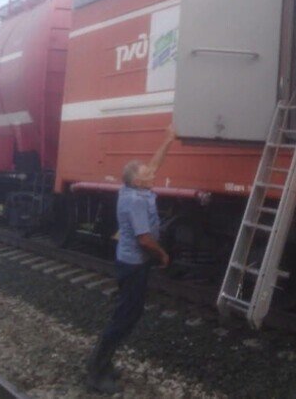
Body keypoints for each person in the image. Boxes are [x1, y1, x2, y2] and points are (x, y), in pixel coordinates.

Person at [86, 124, 175, 394]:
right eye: (145, 173)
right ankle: (95, 371)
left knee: (129, 314)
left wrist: (168, 139)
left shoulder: (136, 189)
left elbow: (154, 164)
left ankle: (103, 363)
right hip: (133, 265)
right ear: (137, 181)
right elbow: (144, 239)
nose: (151, 172)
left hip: (133, 263)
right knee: (124, 317)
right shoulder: (135, 200)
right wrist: (162, 255)